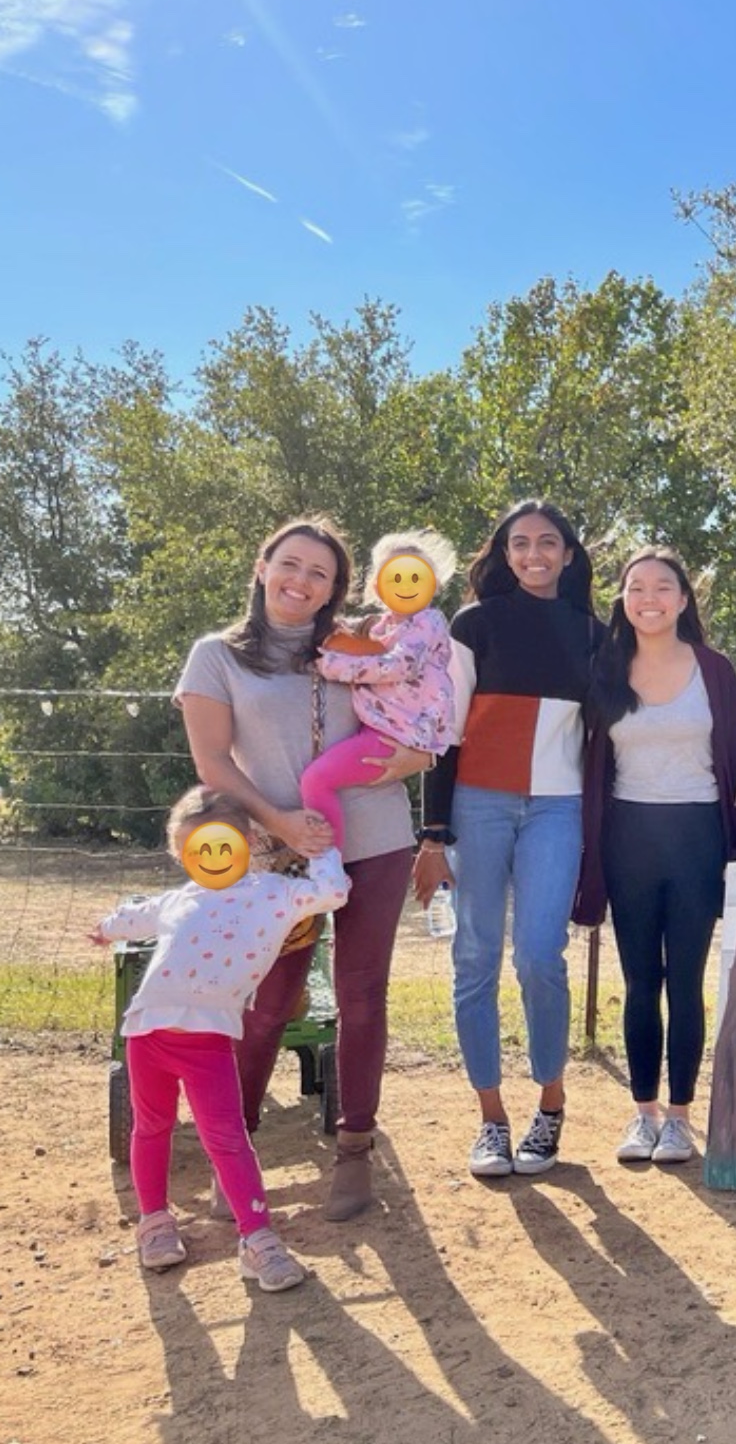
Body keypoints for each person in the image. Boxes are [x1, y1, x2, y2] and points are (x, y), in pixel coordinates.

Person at [177, 516, 425, 1223]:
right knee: (269, 1002)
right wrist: (281, 822)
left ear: (335, 589)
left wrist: (420, 756)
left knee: (362, 996)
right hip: (275, 852)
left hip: (375, 839)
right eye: (290, 564)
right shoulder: (216, 657)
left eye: (320, 573)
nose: (301, 581)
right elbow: (212, 762)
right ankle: (236, 1150)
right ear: (262, 568)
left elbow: (422, 715)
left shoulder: (361, 648)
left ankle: (354, 1151)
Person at [96, 787, 350, 1291]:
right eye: (196, 849)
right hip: (148, 1033)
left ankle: (257, 1239)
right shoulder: (179, 898)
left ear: (249, 842)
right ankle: (155, 1223)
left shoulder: (274, 894)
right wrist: (105, 929)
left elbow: (333, 892)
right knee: (152, 1127)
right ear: (182, 854)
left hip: (209, 1041)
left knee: (228, 1138)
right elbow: (135, 918)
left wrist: (321, 847)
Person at [414, 500, 601, 1179]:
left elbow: (604, 736)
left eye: (547, 542)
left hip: (557, 807)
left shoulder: (594, 633)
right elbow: (443, 731)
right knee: (475, 958)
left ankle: (550, 1105)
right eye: (519, 543)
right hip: (478, 805)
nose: (533, 554)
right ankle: (490, 1119)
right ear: (503, 553)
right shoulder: (473, 624)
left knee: (540, 956)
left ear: (568, 555)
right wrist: (433, 834)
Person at [575, 546, 736, 1166]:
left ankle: (680, 1117)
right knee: (639, 981)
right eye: (636, 588)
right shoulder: (605, 667)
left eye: (661, 587)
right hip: (627, 835)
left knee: (685, 979)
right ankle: (644, 1112)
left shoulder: (715, 670)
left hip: (697, 835)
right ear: (622, 600)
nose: (648, 599)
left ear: (682, 600)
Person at [302, 528, 459, 842]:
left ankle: (326, 859)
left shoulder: (428, 622)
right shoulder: (383, 627)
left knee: (316, 779)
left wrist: (333, 666)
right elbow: (360, 638)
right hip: (380, 728)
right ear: (378, 586)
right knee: (319, 778)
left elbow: (402, 665)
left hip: (393, 735)